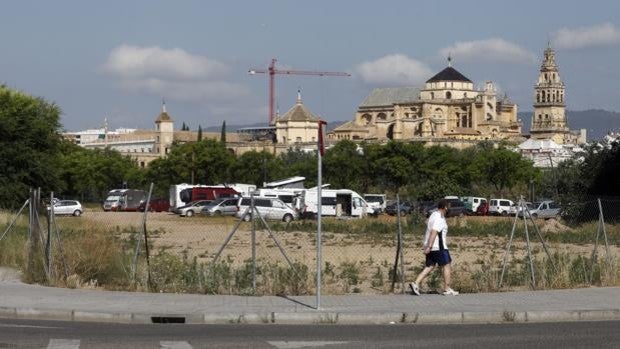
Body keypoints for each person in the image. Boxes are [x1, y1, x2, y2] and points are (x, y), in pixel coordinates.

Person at [410, 199, 459, 296]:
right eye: (448, 207)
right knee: (447, 264)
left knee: (430, 266)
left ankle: (416, 283)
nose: (449, 209)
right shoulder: (440, 218)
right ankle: (447, 289)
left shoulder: (433, 214)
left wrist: (428, 245)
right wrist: (429, 246)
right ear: (445, 207)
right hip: (438, 246)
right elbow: (434, 231)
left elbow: (426, 222)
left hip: (430, 245)